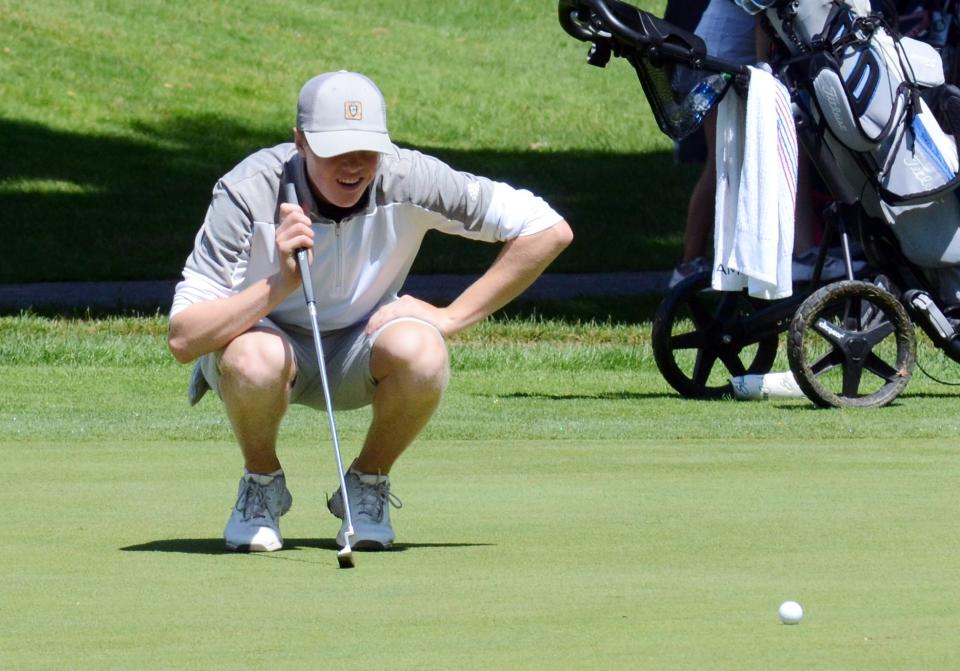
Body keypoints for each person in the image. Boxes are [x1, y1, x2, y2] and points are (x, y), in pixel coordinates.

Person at [167, 71, 573, 553]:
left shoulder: (410, 177)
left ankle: (366, 484)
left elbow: (548, 229)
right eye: (335, 149)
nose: (354, 165)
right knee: (252, 358)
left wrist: (453, 317)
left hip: (363, 347)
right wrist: (281, 284)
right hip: (267, 345)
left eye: (367, 149)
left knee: (423, 350)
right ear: (301, 142)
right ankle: (262, 484)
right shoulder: (248, 190)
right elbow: (183, 340)